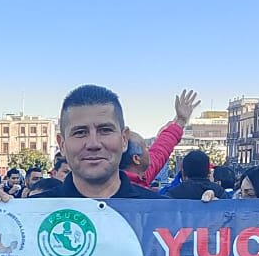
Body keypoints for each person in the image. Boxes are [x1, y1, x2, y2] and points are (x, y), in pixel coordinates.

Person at [27, 85, 164, 200]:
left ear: (124, 139)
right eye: (80, 132)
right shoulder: (30, 215)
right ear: (62, 144)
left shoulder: (164, 214)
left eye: (105, 130)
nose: (93, 144)